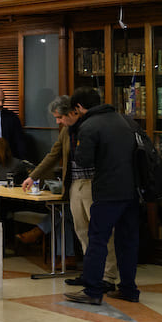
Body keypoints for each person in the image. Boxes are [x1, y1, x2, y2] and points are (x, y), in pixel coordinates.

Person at [21, 95, 113, 285]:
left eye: (60, 117)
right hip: (74, 185)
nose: (58, 121)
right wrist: (33, 176)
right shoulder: (66, 131)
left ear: (73, 112)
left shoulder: (92, 127)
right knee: (82, 231)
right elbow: (53, 155)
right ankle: (91, 273)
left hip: (94, 184)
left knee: (101, 232)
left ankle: (108, 276)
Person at [64, 87, 140, 305]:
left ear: (79, 107)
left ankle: (93, 290)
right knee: (127, 242)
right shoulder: (125, 121)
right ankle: (128, 289)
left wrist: (74, 136)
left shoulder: (89, 126)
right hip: (132, 191)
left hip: (107, 191)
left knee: (97, 240)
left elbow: (84, 161)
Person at [0, 86, 28, 160]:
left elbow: (20, 143)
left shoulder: (12, 117)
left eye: (3, 101)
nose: (1, 104)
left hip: (6, 159)